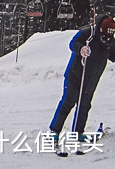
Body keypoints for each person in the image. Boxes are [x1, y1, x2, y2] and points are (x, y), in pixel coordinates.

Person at [48, 15, 115, 144]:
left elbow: (113, 55)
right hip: (75, 74)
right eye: (104, 35)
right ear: (100, 29)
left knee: (84, 105)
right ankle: (54, 131)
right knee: (68, 101)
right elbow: (73, 43)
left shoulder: (110, 41)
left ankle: (78, 132)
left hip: (92, 79)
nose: (106, 39)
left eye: (109, 36)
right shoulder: (88, 33)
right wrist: (81, 49)